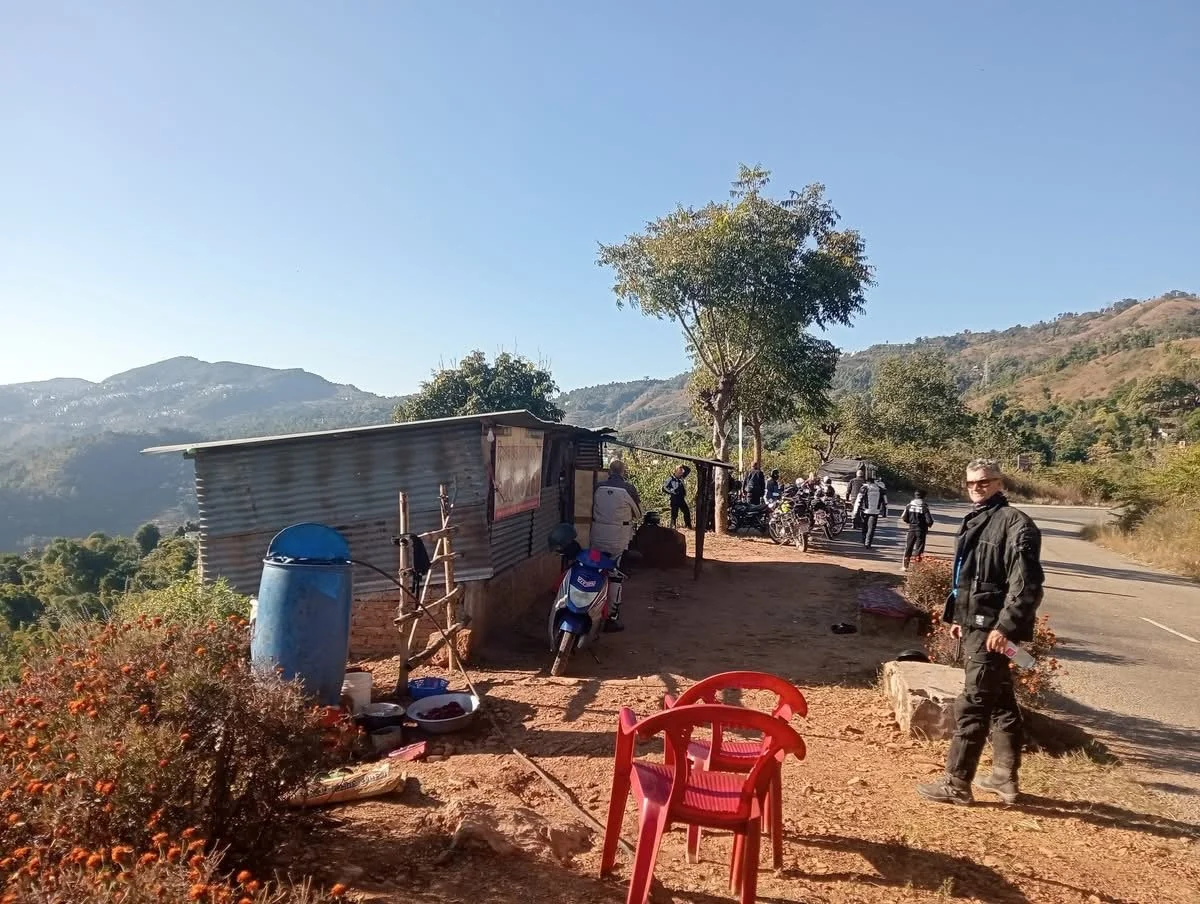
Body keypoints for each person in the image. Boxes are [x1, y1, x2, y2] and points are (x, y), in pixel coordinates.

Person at [918, 458, 1045, 806]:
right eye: (972, 483)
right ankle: (1004, 777)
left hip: (993, 631)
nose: (978, 487)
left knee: (973, 703)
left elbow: (1027, 585)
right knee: (1000, 700)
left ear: (1000, 483)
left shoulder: (1016, 525)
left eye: (985, 482)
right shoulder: (979, 518)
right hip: (976, 624)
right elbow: (969, 577)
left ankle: (956, 783)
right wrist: (960, 615)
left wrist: (1005, 627)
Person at [591, 459, 643, 632]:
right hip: (617, 539)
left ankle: (590, 609)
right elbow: (638, 514)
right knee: (615, 576)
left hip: (597, 536)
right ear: (623, 471)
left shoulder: (597, 487)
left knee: (594, 571)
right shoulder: (628, 489)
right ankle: (611, 617)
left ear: (610, 471)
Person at [901, 489, 935, 571]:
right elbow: (929, 520)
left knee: (908, 547)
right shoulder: (924, 507)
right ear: (924, 497)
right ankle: (917, 567)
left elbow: (904, 517)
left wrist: (911, 522)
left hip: (911, 529)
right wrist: (928, 525)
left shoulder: (909, 506)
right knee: (919, 549)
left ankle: (905, 566)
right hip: (921, 530)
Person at [852, 475, 888, 546]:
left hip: (865, 510)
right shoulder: (880, 489)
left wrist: (855, 512)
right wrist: (885, 513)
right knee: (871, 528)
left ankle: (863, 539)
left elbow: (858, 500)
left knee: (864, 525)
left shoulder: (864, 488)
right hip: (875, 512)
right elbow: (885, 502)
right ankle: (868, 543)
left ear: (867, 482)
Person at [661, 464, 692, 529]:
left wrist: (683, 466)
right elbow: (664, 487)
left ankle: (688, 526)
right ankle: (672, 526)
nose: (681, 472)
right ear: (675, 471)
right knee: (674, 513)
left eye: (681, 471)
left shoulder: (681, 478)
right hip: (674, 498)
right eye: (679, 471)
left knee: (686, 511)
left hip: (681, 498)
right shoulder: (671, 479)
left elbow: (688, 470)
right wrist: (671, 491)